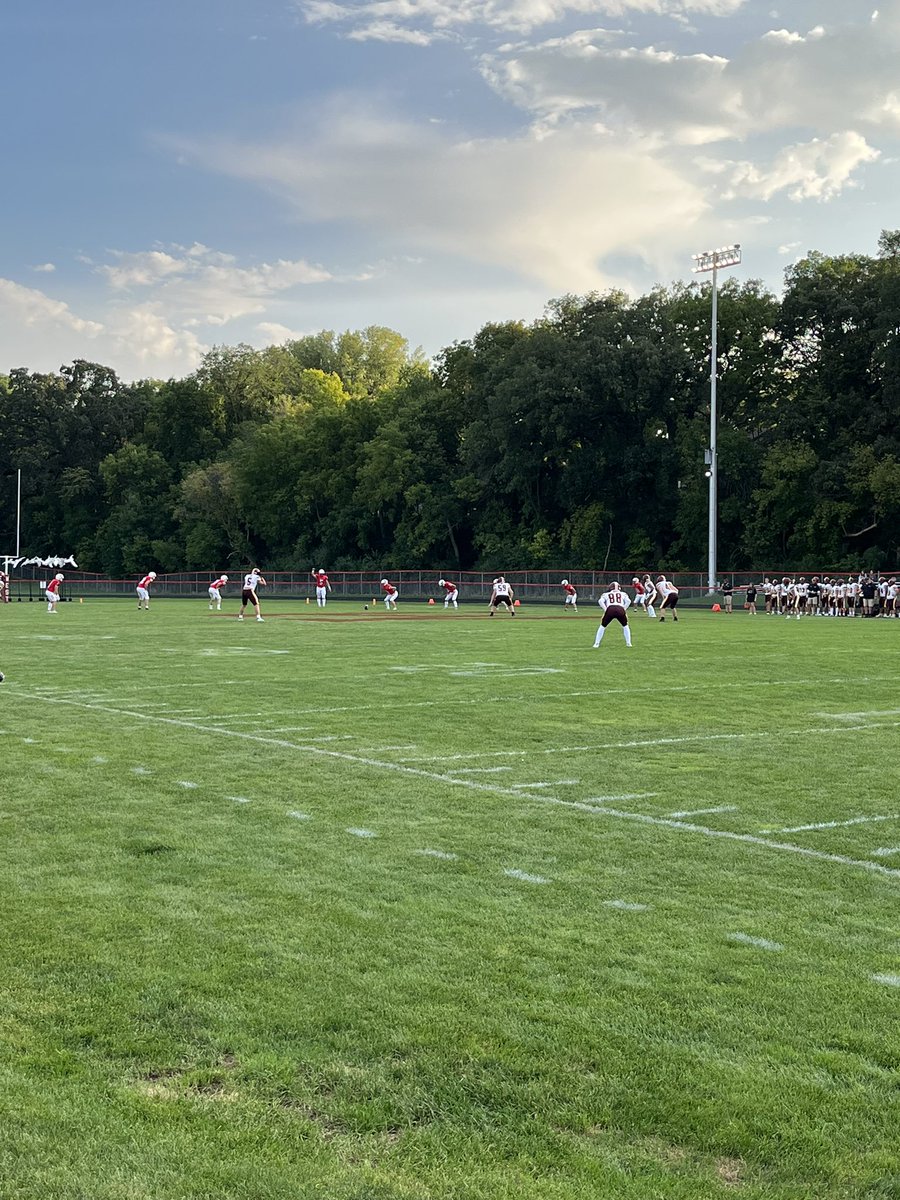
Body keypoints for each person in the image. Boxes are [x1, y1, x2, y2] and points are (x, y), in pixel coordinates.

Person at [592, 581, 632, 648]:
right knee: (625, 626)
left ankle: (596, 643)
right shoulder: (623, 594)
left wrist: (606, 609)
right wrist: (624, 609)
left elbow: (600, 601)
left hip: (610, 609)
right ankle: (628, 643)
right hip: (620, 609)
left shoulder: (606, 594)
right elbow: (629, 601)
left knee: (602, 626)